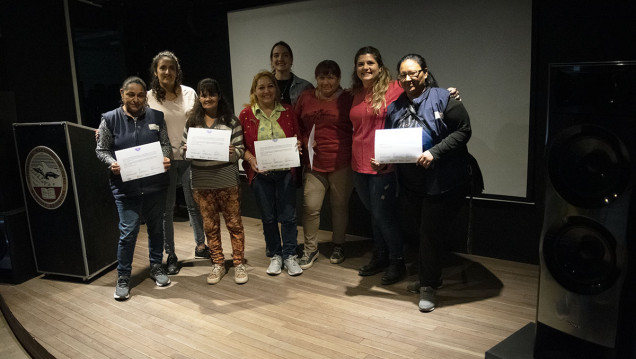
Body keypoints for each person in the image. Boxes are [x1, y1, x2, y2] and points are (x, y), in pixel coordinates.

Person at [384, 54, 472, 312]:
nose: (409, 78)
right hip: (411, 184)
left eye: (414, 73)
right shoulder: (395, 107)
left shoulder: (444, 98)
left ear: (424, 73)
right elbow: (392, 143)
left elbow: (463, 130)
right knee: (419, 231)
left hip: (440, 182)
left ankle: (428, 286)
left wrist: (435, 152)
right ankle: (431, 277)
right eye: (403, 74)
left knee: (429, 234)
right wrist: (384, 161)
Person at [96, 76, 172, 301]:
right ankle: (123, 277)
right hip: (125, 188)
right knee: (128, 234)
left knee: (156, 229)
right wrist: (112, 163)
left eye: (140, 95)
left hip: (155, 186)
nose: (136, 99)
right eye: (131, 94)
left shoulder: (157, 117)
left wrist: (166, 157)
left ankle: (157, 267)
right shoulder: (109, 119)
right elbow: (101, 149)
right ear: (122, 94)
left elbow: (165, 143)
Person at [349, 46, 408, 285]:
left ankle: (398, 262)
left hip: (383, 166)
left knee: (385, 217)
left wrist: (449, 94)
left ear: (380, 66)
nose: (366, 67)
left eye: (370, 63)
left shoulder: (395, 88)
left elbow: (422, 92)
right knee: (375, 215)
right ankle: (380, 257)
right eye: (361, 63)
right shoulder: (356, 93)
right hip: (358, 165)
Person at [180, 78, 248, 284]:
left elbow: (241, 150)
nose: (207, 98)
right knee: (210, 226)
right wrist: (186, 150)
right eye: (203, 94)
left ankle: (238, 264)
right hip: (202, 182)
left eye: (211, 94)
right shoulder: (192, 123)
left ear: (219, 96)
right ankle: (218, 263)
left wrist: (232, 152)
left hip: (227, 181)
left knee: (234, 224)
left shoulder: (232, 121)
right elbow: (184, 153)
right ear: (199, 98)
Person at [239, 71, 303, 276]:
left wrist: (298, 146)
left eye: (270, 86)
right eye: (261, 87)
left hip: (285, 173)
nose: (266, 91)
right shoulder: (246, 115)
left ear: (276, 89)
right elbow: (240, 146)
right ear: (254, 91)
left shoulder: (288, 111)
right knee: (268, 217)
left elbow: (297, 137)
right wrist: (251, 160)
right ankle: (276, 255)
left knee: (288, 217)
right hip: (260, 175)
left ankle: (290, 255)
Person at [147, 50, 206, 275]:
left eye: (172, 68)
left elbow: (203, 119)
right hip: (165, 160)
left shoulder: (190, 93)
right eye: (163, 68)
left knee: (195, 204)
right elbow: (129, 115)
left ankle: (201, 245)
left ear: (177, 71)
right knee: (167, 210)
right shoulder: (149, 97)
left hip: (191, 156)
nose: (168, 72)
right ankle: (170, 254)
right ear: (156, 71)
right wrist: (105, 130)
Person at [295, 60, 354, 269]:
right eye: (322, 77)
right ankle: (310, 249)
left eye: (331, 77)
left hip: (342, 161)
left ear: (338, 79)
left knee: (339, 206)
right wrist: (302, 140)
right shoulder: (306, 97)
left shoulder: (348, 98)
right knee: (310, 207)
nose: (326, 81)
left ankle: (339, 245)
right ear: (316, 78)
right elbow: (297, 124)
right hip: (313, 162)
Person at [269, 41, 313, 106]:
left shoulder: (305, 87)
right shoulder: (263, 86)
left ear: (291, 60)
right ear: (271, 61)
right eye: (276, 55)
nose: (280, 59)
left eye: (285, 55)